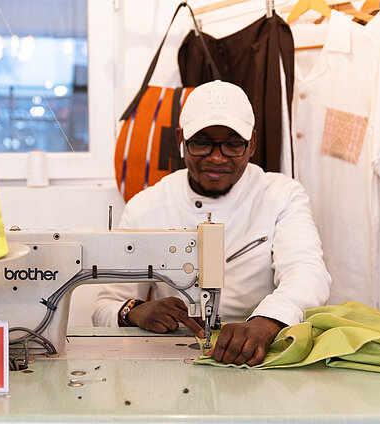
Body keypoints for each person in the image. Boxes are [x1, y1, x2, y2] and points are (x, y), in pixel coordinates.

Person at [92, 80, 331, 366]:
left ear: (252, 143)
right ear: (181, 140)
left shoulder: (281, 196)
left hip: (260, 349)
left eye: (232, 144)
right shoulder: (146, 207)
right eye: (202, 143)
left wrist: (264, 324)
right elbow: (105, 306)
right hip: (174, 359)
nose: (217, 158)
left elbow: (307, 275)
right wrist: (135, 311)